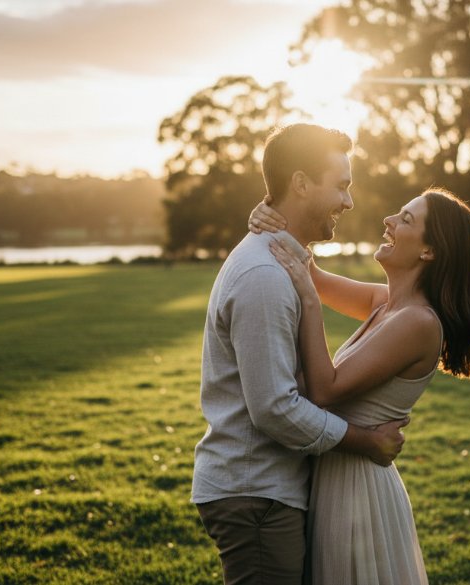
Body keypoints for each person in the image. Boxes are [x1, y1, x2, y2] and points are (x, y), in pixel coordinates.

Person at [191, 123, 410, 585]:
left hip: (268, 491)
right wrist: (365, 441)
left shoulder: (282, 265)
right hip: (256, 495)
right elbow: (274, 408)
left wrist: (272, 210)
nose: (349, 202)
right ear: (302, 183)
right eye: (342, 186)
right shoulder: (266, 277)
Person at [248, 187, 470, 584]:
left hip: (356, 494)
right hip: (336, 478)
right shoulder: (387, 304)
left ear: (428, 251)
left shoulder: (419, 323)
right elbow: (308, 271)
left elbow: (324, 390)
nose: (389, 221)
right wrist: (271, 216)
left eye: (406, 219)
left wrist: (310, 304)